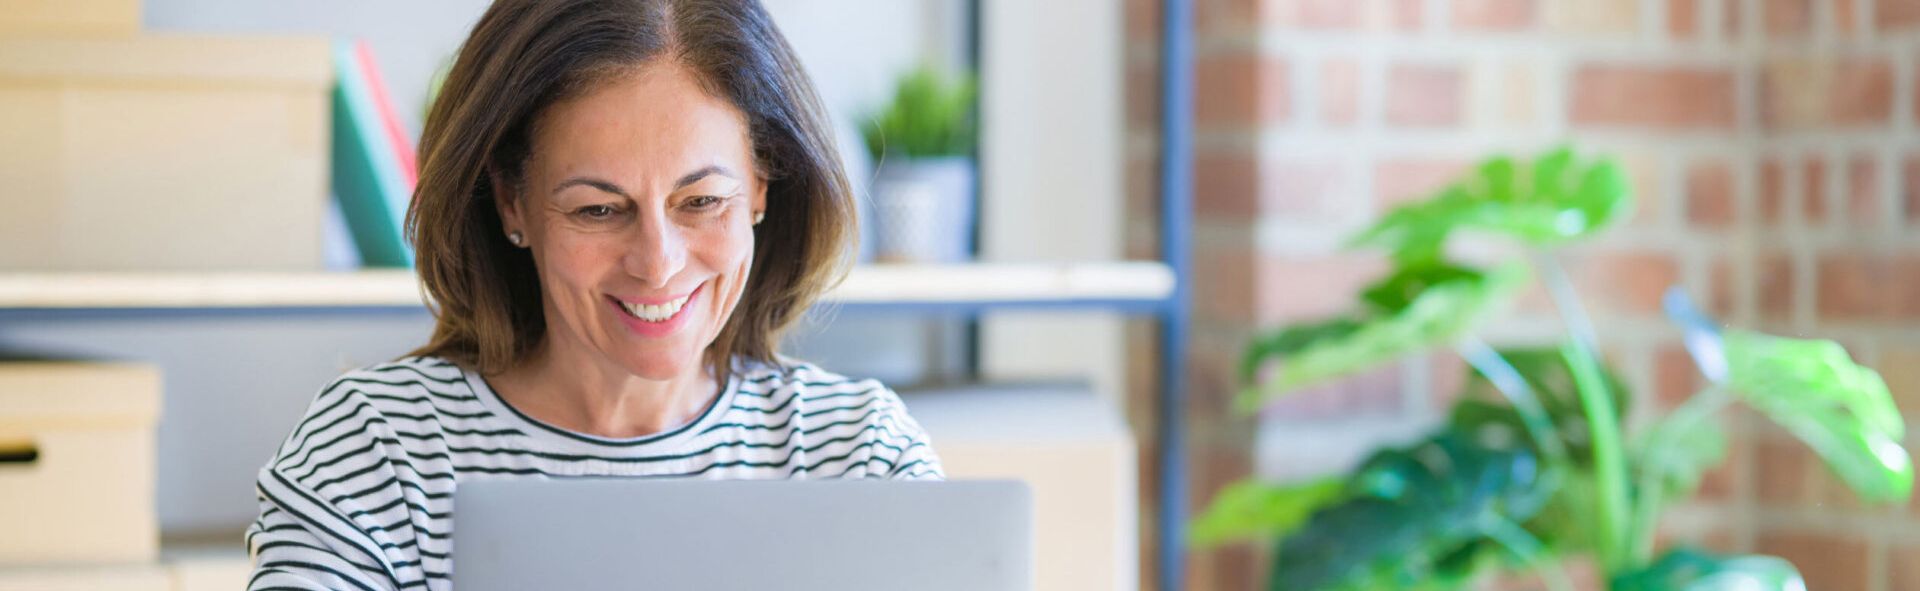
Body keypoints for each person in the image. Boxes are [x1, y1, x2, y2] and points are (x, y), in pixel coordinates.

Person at [246, 1, 943, 588]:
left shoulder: (858, 456)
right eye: (598, 209)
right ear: (511, 202)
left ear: (762, 185)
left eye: (701, 200)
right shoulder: (377, 454)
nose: (658, 264)